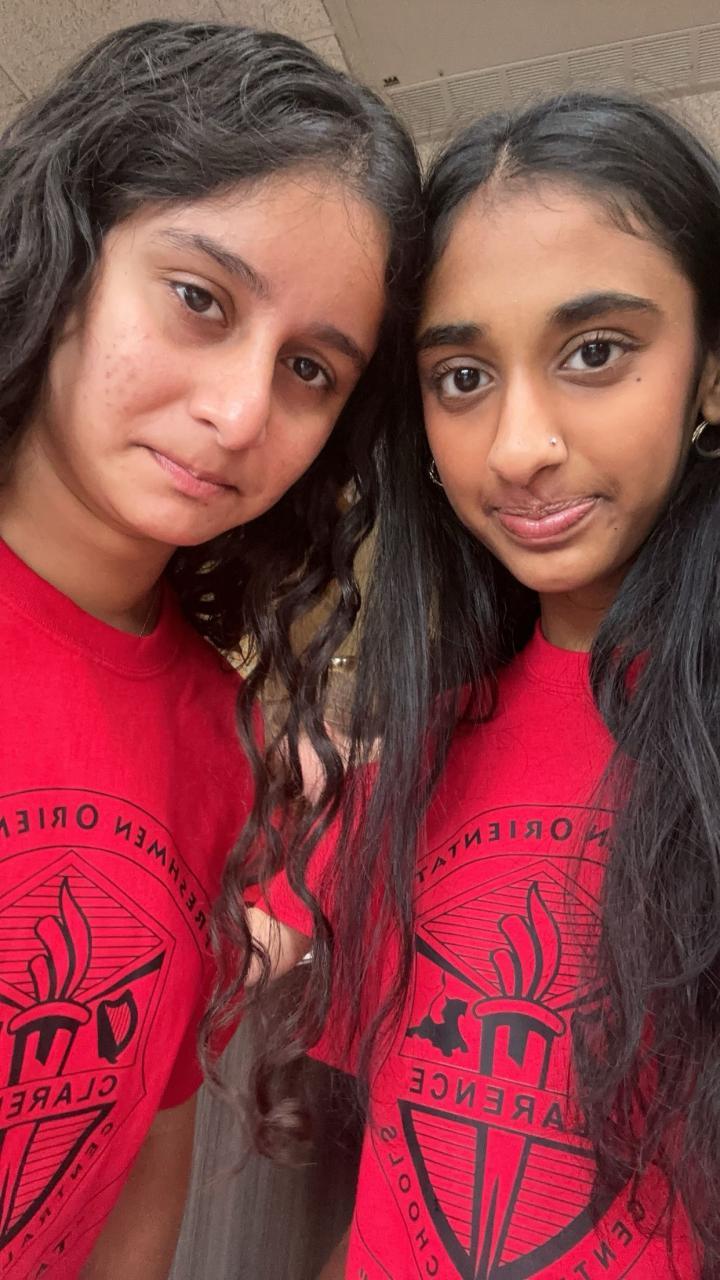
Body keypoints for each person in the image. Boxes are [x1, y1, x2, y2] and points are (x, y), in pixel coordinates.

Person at [234, 92, 720, 1277]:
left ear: (711, 372)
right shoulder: (418, 759)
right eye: (462, 375)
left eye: (595, 351)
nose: (517, 446)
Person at [0, 17, 421, 1278]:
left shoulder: (213, 732)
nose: (241, 413)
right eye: (200, 299)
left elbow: (139, 1129)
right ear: (67, 245)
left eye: (310, 369)